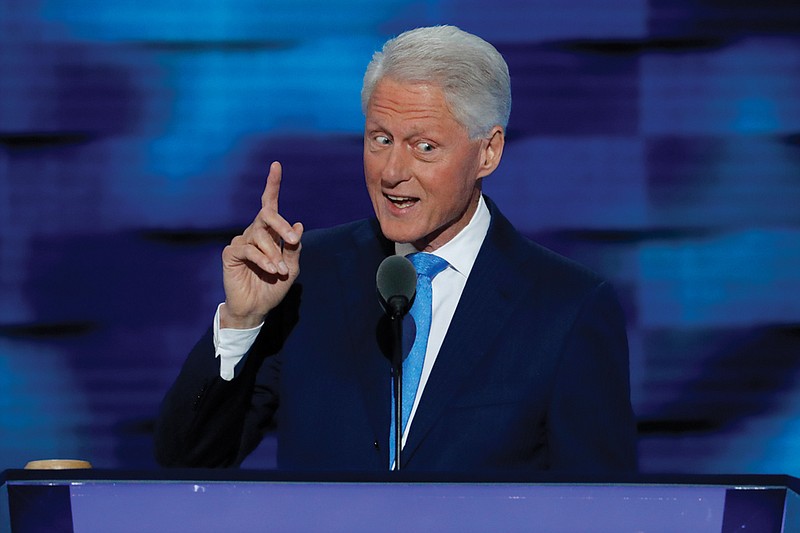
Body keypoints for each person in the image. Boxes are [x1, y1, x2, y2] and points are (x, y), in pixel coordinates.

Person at [154, 25, 638, 473]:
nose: (391, 172)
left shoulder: (566, 308)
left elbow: (602, 508)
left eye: (423, 146)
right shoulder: (304, 278)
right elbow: (187, 464)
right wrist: (242, 324)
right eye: (380, 139)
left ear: (488, 152)